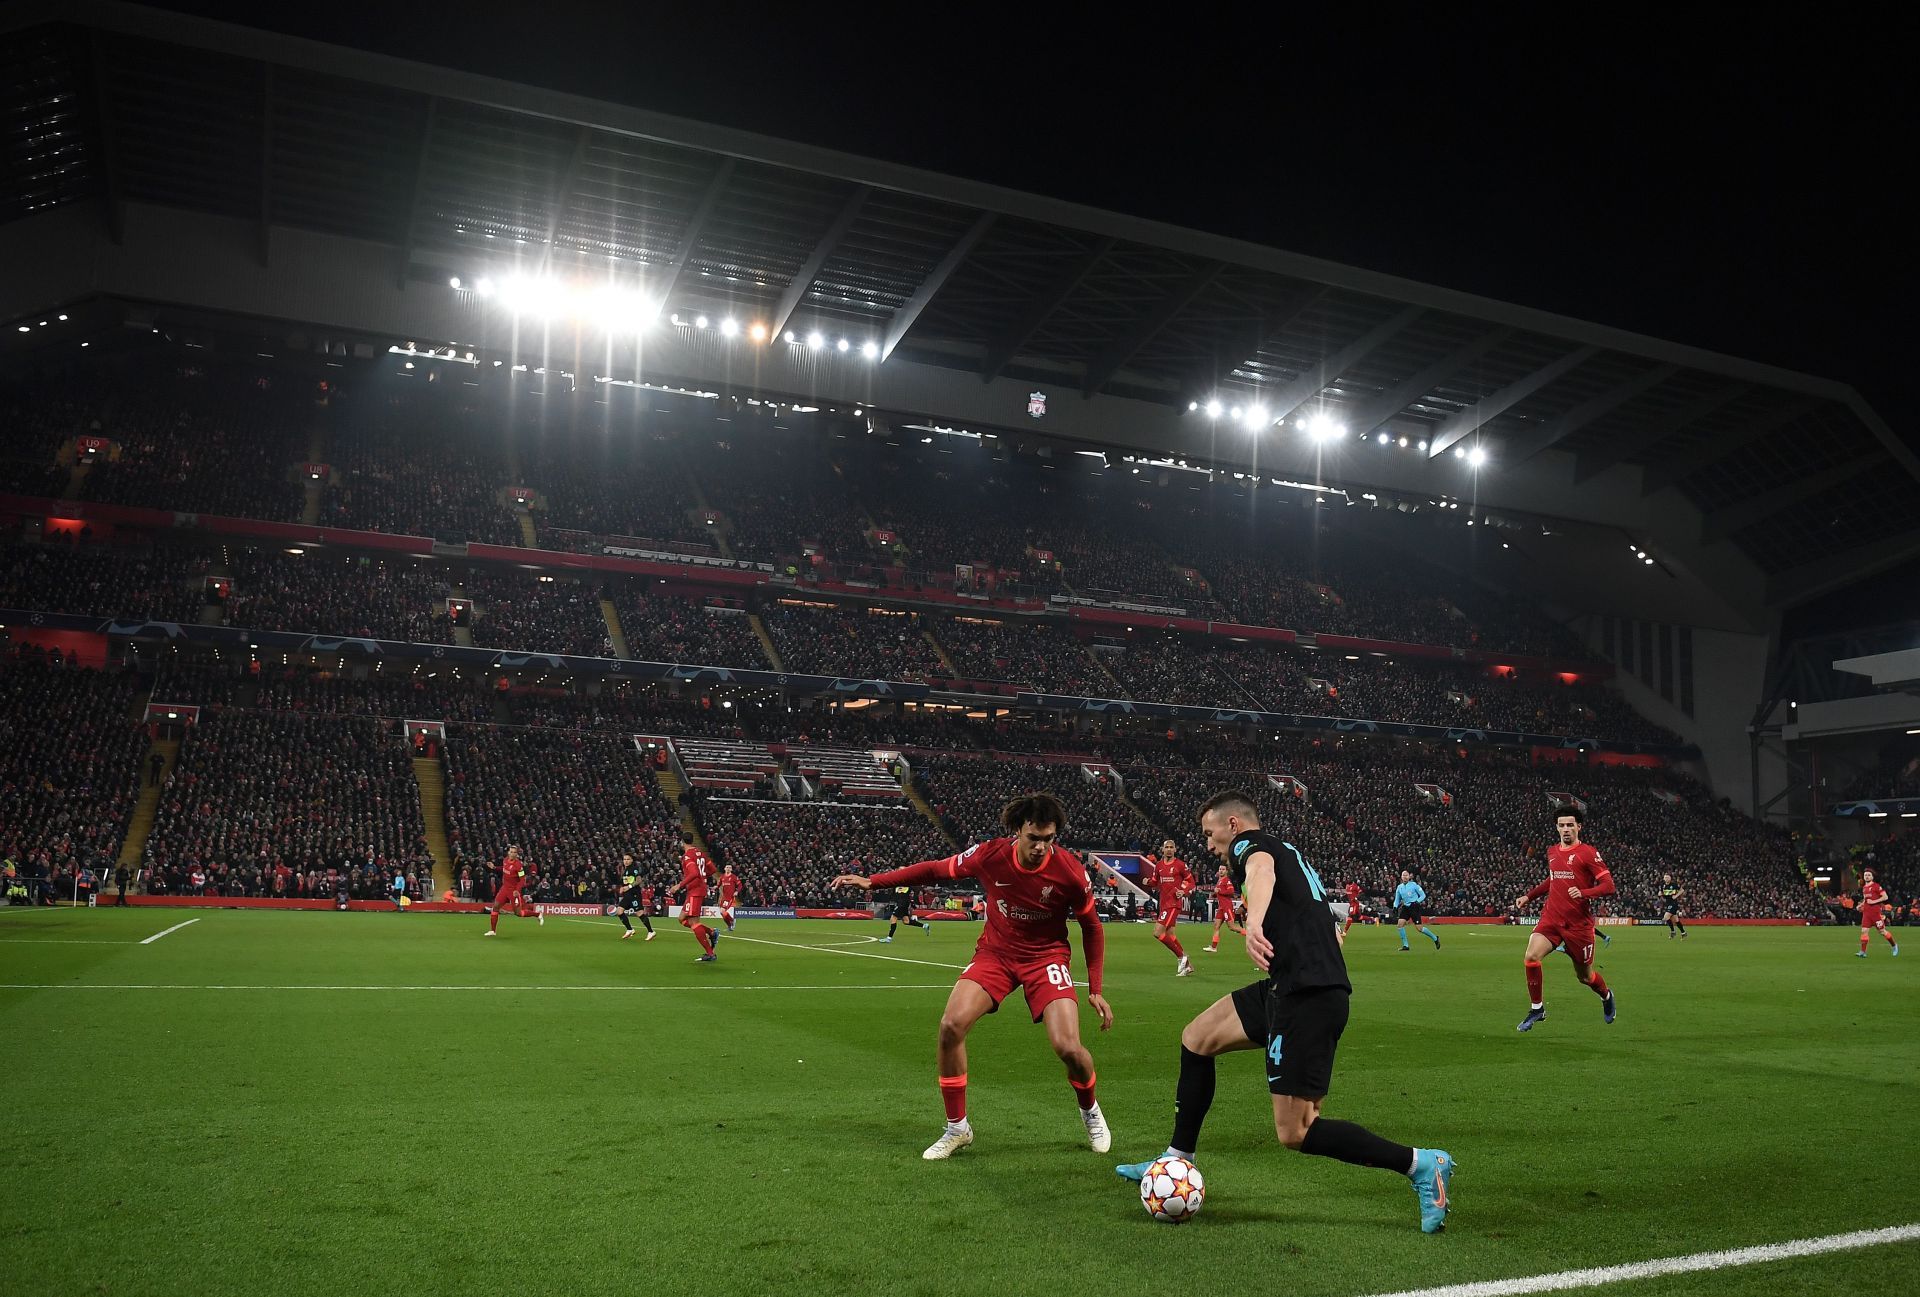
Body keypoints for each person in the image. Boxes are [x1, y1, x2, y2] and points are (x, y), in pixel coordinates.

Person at [1114, 792, 1455, 1234]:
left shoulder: (1249, 848)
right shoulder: (1288, 848)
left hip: (1306, 995)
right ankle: (1176, 1160)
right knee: (1197, 1038)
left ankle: (1422, 1165)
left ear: (1233, 824)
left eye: (1209, 833)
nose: (1209, 844)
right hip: (1292, 985)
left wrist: (1254, 923)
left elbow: (1260, 870)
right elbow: (1314, 910)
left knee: (1296, 1131)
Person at [832, 792, 1113, 1161]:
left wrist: (1095, 988)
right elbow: (935, 868)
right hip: (996, 953)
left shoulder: (1071, 872)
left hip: (1045, 958)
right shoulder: (990, 855)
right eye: (1034, 838)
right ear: (1018, 831)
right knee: (951, 1025)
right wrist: (875, 882)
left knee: (1068, 1048)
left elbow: (1092, 927)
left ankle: (1090, 1111)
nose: (1042, 847)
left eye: (1049, 839)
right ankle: (957, 1128)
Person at [1514, 810, 1616, 1031]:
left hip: (1578, 926)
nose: (1566, 829)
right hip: (1552, 918)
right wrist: (1528, 896)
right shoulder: (1552, 852)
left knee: (1586, 977)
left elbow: (1609, 886)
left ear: (1579, 827)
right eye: (1562, 825)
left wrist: (1584, 892)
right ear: (1557, 828)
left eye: (1570, 825)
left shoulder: (1588, 853)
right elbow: (1552, 880)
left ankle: (1606, 995)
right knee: (1531, 957)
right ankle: (1537, 1009)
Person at [1142, 838, 1196, 976]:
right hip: (1163, 903)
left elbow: (1191, 881)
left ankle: (1181, 957)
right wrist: (1147, 881)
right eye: (1167, 847)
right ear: (1163, 849)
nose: (1169, 849)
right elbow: (1155, 881)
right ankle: (1188, 966)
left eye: (1172, 847)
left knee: (1158, 932)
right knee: (1170, 935)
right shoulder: (1159, 865)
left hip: (1173, 904)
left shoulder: (1180, 865)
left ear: (1175, 850)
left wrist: (1183, 891)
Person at [669, 836, 720, 962]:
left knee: (694, 923)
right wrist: (704, 876)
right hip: (696, 889)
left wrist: (679, 885)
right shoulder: (700, 853)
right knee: (681, 919)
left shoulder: (687, 856)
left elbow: (694, 873)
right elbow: (712, 869)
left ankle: (710, 953)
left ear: (682, 842)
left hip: (695, 891)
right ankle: (711, 932)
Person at [484, 845, 540, 936]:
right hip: (504, 888)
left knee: (519, 913)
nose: (512, 854)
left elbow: (522, 879)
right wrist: (494, 867)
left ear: (517, 854)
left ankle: (537, 914)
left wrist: (517, 890)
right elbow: (503, 868)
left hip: (513, 891)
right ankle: (493, 931)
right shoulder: (505, 860)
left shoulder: (518, 865)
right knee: (496, 906)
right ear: (508, 852)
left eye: (514, 852)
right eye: (511, 852)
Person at [1393, 870, 1441, 952]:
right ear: (1401, 877)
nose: (1405, 877)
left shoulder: (1414, 885)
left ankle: (1435, 938)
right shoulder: (1399, 887)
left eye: (1406, 875)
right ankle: (1405, 945)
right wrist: (1395, 906)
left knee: (1419, 928)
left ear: (1409, 877)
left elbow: (1423, 895)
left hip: (1414, 907)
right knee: (1400, 924)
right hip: (1406, 907)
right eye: (1403, 875)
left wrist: (1417, 902)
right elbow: (1397, 899)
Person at [1856, 869, 1899, 958]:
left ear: (1872, 877)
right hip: (1866, 913)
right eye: (1865, 875)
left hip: (1875, 913)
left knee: (1882, 931)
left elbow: (1885, 897)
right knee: (1864, 931)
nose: (1867, 876)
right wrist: (1861, 905)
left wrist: (1874, 901)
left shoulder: (1876, 886)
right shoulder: (1864, 887)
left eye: (1868, 875)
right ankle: (1863, 952)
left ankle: (1894, 945)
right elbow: (1866, 899)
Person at [613, 854, 656, 941]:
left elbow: (639, 880)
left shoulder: (634, 869)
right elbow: (626, 882)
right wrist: (622, 887)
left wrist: (628, 887)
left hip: (634, 895)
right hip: (627, 895)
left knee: (639, 913)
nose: (626, 861)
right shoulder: (626, 870)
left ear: (632, 860)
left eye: (628, 859)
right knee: (619, 911)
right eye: (624, 859)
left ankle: (651, 931)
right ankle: (629, 929)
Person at [1204, 864, 1244, 952]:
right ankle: (1214, 947)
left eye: (1223, 869)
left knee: (1232, 927)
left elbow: (1231, 891)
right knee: (1216, 926)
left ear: (1226, 871)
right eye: (1220, 869)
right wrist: (1214, 893)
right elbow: (1218, 893)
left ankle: (1250, 934)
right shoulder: (1219, 881)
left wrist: (1220, 891)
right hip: (1221, 907)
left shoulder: (1227, 880)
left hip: (1227, 906)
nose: (1221, 871)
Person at [1659, 873, 1688, 939]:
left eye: (1667, 877)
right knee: (1675, 920)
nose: (1666, 878)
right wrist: (1660, 894)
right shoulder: (1662, 886)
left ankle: (1673, 932)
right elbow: (1662, 893)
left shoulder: (1674, 885)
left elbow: (1682, 890)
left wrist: (1676, 896)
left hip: (1673, 903)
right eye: (1665, 877)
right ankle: (1683, 933)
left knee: (1666, 917)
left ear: (1670, 878)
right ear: (1663, 878)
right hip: (1668, 903)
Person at [718, 864, 743, 933]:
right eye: (727, 867)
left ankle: (732, 920)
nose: (728, 869)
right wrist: (715, 887)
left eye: (730, 868)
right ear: (724, 868)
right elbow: (718, 884)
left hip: (729, 897)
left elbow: (740, 885)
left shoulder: (734, 877)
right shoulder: (722, 877)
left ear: (731, 869)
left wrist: (737, 891)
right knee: (722, 913)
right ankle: (730, 926)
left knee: (722, 911)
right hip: (724, 898)